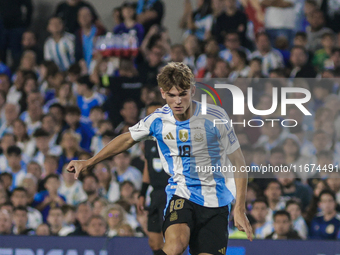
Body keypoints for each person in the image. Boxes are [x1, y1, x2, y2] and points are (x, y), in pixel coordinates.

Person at [67, 62, 252, 255]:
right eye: (172, 95)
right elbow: (126, 139)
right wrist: (89, 162)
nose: (178, 101)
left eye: (183, 94)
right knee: (174, 247)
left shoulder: (215, 117)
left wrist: (239, 208)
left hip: (217, 200)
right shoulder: (157, 120)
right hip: (182, 193)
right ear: (163, 93)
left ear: (193, 91)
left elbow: (239, 163)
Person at [137, 102, 170, 254]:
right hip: (156, 194)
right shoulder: (148, 140)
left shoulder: (175, 137)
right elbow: (147, 167)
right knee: (154, 242)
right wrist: (142, 193)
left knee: (174, 240)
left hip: (173, 192)